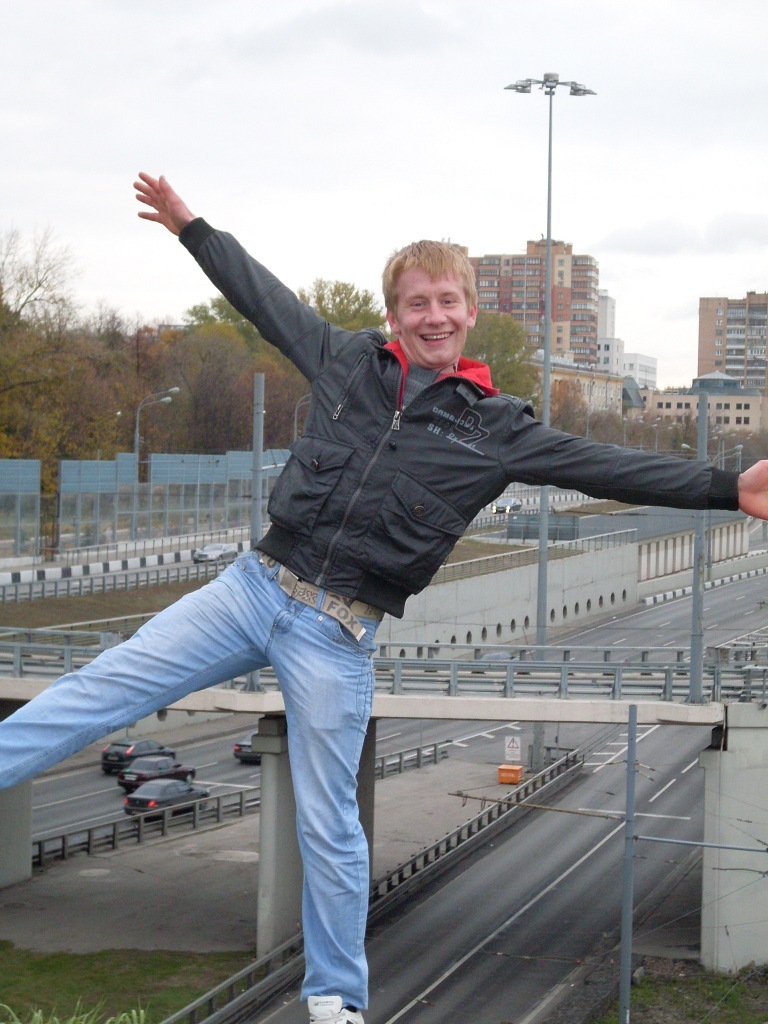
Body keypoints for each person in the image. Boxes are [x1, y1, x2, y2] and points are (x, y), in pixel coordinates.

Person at [2, 173, 768, 1024]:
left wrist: (728, 488)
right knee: (96, 691)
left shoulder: (498, 428)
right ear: (394, 314)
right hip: (254, 589)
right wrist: (193, 228)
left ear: (470, 312)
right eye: (416, 304)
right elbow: (263, 298)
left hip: (334, 636)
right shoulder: (346, 363)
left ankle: (334, 1001)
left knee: (329, 822)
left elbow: (606, 466)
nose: (432, 317)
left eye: (447, 302)